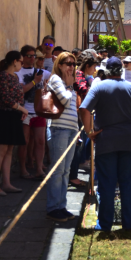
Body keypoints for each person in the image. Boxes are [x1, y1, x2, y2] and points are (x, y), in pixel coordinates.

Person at [79, 57, 131, 233]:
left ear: (106, 71)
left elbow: (84, 109)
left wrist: (89, 132)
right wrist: (127, 117)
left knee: (107, 184)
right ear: (121, 71)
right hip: (129, 139)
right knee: (127, 182)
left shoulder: (99, 87)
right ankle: (130, 223)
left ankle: (105, 224)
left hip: (106, 139)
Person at [46, 52, 80, 222]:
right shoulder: (56, 80)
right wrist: (68, 85)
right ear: (59, 65)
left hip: (71, 129)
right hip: (59, 129)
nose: (71, 67)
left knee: (66, 171)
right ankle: (53, 208)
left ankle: (61, 206)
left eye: (73, 64)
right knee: (58, 170)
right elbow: (66, 101)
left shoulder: (68, 83)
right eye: (68, 63)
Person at [0, 51, 26, 195]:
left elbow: (18, 96)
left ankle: (7, 183)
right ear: (14, 61)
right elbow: (5, 98)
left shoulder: (15, 77)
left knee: (9, 150)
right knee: (1, 150)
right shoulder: (3, 75)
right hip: (3, 116)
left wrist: (21, 111)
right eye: (21, 62)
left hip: (13, 116)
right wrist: (22, 109)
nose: (22, 65)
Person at [17, 45, 50, 180]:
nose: (32, 58)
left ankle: (39, 169)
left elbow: (55, 76)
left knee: (40, 141)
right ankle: (23, 169)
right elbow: (21, 91)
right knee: (24, 141)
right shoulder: (18, 73)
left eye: (34, 56)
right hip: (24, 111)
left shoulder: (42, 72)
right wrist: (34, 81)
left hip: (38, 111)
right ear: (23, 57)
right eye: (29, 56)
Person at [69, 49, 99, 188]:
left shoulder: (80, 74)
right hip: (76, 115)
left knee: (78, 146)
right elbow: (81, 88)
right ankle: (73, 177)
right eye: (93, 67)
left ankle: (73, 175)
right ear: (87, 66)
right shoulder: (80, 74)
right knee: (77, 147)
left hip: (78, 114)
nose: (94, 70)